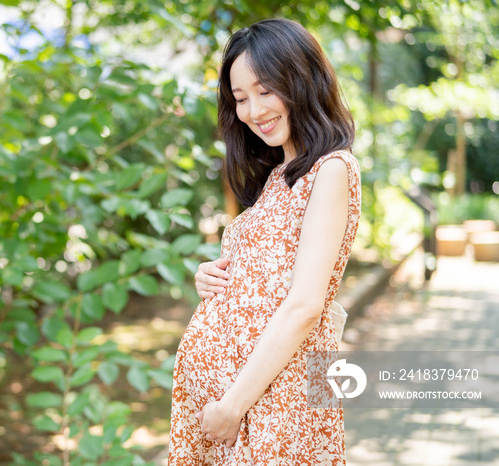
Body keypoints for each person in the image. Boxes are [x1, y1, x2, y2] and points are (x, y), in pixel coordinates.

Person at [168, 18, 361, 465]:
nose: (253, 110)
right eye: (240, 99)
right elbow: (267, 275)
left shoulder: (331, 168)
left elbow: (305, 304)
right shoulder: (278, 176)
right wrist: (216, 279)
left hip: (278, 397)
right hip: (245, 399)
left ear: (302, 80)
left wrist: (233, 405)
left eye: (265, 90)